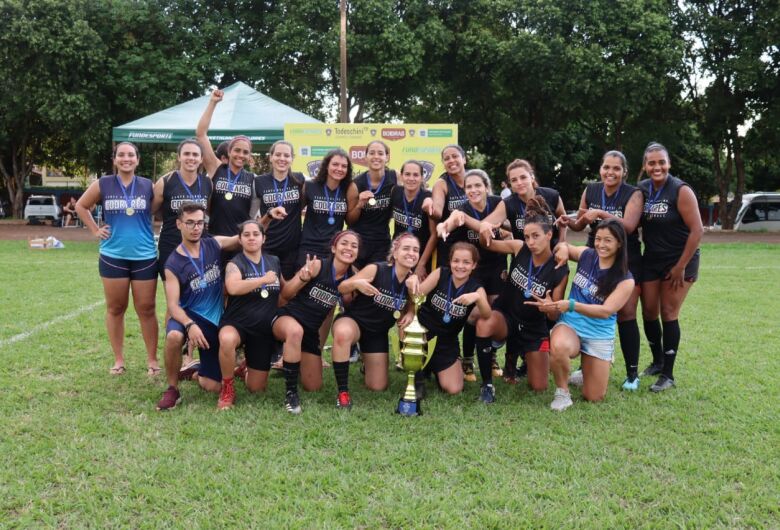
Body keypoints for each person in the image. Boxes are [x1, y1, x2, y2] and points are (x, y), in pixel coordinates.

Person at [75, 142, 160, 376]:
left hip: (145, 255)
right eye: (121, 155)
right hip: (113, 255)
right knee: (115, 308)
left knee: (147, 308)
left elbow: (157, 209)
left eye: (130, 155)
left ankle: (152, 360)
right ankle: (119, 359)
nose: (126, 158)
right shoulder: (103, 183)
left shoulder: (146, 185)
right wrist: (94, 230)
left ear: (137, 159)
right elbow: (81, 206)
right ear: (115, 159)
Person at [561, 150, 644, 390]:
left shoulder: (633, 193)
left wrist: (600, 214)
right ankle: (585, 367)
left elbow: (628, 227)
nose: (610, 172)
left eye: (616, 168)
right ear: (600, 169)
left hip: (625, 259)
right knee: (588, 305)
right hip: (595, 254)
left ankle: (632, 374)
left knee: (626, 313)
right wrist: (567, 220)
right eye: (606, 167)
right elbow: (580, 222)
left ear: (624, 172)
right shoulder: (591, 190)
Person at [533, 220, 635, 411]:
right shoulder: (587, 255)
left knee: (594, 396)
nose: (601, 245)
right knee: (559, 345)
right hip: (571, 325)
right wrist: (563, 249)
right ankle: (562, 393)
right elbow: (563, 246)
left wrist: (571, 305)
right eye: (598, 239)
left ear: (619, 243)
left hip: (598, 332)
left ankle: (586, 371)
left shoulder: (625, 279)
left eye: (608, 240)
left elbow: (606, 311)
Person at [475, 197, 569, 397]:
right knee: (484, 324)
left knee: (539, 386)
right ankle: (487, 385)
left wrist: (550, 307)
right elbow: (487, 244)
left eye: (536, 236)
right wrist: (485, 229)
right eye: (527, 236)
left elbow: (554, 316)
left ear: (549, 234)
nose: (531, 242)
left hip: (534, 327)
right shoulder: (519, 248)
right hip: (507, 315)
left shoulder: (560, 268)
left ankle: (517, 354)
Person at [156, 203, 239, 410]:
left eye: (200, 222)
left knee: (214, 386)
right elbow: (173, 306)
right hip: (187, 315)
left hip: (214, 321)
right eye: (190, 222)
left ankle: (194, 372)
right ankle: (172, 389)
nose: (196, 227)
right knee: (174, 337)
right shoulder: (173, 263)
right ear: (179, 224)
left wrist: (267, 218)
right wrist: (189, 324)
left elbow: (243, 237)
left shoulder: (213, 244)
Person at [638, 142, 702, 392]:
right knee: (649, 312)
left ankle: (668, 374)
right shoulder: (642, 190)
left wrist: (680, 266)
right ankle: (657, 360)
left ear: (669, 164)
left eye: (661, 162)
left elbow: (697, 231)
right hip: (652, 259)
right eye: (651, 163)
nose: (657, 167)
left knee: (668, 311)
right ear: (645, 166)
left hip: (680, 260)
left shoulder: (680, 190)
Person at [272, 231, 360, 414]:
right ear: (334, 248)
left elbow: (348, 305)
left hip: (310, 331)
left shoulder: (352, 278)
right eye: (344, 243)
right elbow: (286, 294)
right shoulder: (317, 265)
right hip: (288, 319)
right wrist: (302, 279)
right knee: (295, 331)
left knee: (314, 386)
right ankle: (290, 394)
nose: (349, 248)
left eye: (354, 246)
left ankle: (291, 363)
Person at [330, 233, 420, 407]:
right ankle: (343, 392)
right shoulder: (376, 268)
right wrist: (357, 284)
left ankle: (367, 361)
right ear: (395, 253)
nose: (411, 253)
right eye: (406, 248)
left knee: (377, 386)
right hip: (355, 321)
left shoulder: (412, 281)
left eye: (415, 250)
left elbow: (411, 304)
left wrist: (410, 312)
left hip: (377, 333)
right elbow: (341, 287)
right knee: (342, 334)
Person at [436, 169, 508, 381]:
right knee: (474, 314)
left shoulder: (497, 204)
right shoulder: (461, 209)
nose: (473, 190)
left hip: (497, 266)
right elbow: (447, 223)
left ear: (486, 187)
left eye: (478, 185)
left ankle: (492, 356)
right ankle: (468, 359)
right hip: (475, 269)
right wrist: (443, 226)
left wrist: (505, 230)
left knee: (495, 312)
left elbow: (511, 225)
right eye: (469, 187)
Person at [405, 242, 491, 397]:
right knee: (408, 325)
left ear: (474, 265)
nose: (460, 266)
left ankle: (433, 368)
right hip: (424, 334)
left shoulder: (476, 288)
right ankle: (418, 377)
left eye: (466, 262)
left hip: (447, 342)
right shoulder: (441, 273)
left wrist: (478, 298)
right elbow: (417, 296)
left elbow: (486, 315)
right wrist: (411, 283)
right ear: (450, 261)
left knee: (454, 389)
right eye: (456, 261)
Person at [216, 220, 282, 409]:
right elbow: (233, 287)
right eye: (246, 235)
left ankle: (244, 367)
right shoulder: (234, 264)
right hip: (237, 323)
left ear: (264, 238)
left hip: (262, 329)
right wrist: (263, 280)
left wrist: (303, 277)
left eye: (256, 234)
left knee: (256, 388)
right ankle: (227, 388)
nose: (251, 238)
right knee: (227, 339)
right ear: (240, 239)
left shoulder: (274, 262)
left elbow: (283, 292)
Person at [196, 89, 256, 259]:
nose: (240, 155)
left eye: (245, 152)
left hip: (239, 242)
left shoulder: (253, 179)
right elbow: (201, 134)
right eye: (237, 150)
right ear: (229, 152)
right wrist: (212, 103)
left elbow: (253, 214)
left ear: (249, 156)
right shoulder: (216, 168)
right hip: (214, 238)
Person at [479, 159, 567, 248]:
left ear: (532, 177)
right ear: (510, 183)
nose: (519, 183)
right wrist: (485, 225)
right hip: (524, 256)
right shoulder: (508, 203)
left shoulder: (551, 196)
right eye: (514, 180)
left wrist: (561, 244)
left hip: (552, 255)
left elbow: (564, 221)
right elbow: (484, 224)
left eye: (523, 177)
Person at [255, 140, 305, 281]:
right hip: (268, 245)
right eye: (277, 155)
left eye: (286, 155)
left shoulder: (300, 179)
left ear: (292, 158)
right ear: (271, 157)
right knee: (270, 287)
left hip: (291, 247)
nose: (282, 159)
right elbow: (253, 217)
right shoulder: (259, 182)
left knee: (287, 289)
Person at [348, 140, 398, 268]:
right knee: (355, 281)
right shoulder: (355, 184)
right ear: (366, 157)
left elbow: (415, 189)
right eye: (372, 153)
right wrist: (359, 204)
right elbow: (350, 220)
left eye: (380, 153)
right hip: (358, 241)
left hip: (382, 242)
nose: (376, 156)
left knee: (377, 281)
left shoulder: (395, 177)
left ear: (387, 157)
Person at [391, 160, 436, 280]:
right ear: (401, 176)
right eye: (407, 174)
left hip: (419, 256)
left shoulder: (428, 198)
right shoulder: (395, 192)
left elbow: (434, 234)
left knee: (416, 296)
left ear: (422, 178)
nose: (411, 178)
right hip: (398, 254)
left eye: (416, 175)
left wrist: (421, 264)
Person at [429, 145, 468, 264]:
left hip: (472, 239)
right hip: (450, 242)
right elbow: (437, 213)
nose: (451, 160)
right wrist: (429, 208)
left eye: (455, 156)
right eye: (447, 158)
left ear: (464, 159)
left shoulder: (475, 179)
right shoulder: (441, 184)